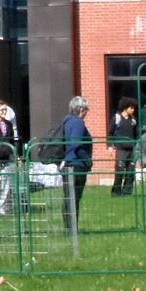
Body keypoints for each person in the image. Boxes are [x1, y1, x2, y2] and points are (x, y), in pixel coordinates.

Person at [60, 95, 95, 231]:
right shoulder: (77, 123)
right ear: (81, 109)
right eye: (86, 109)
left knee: (69, 198)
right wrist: (87, 161)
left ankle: (69, 228)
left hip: (68, 163)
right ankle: (71, 229)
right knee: (73, 199)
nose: (87, 112)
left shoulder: (67, 121)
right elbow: (76, 144)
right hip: (77, 165)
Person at [109, 100, 140, 197]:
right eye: (131, 108)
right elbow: (110, 132)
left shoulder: (133, 120)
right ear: (125, 107)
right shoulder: (117, 118)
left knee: (131, 172)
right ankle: (116, 192)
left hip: (131, 150)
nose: (133, 110)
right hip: (121, 150)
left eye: (134, 108)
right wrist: (110, 146)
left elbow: (136, 135)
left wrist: (137, 146)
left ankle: (127, 192)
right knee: (119, 171)